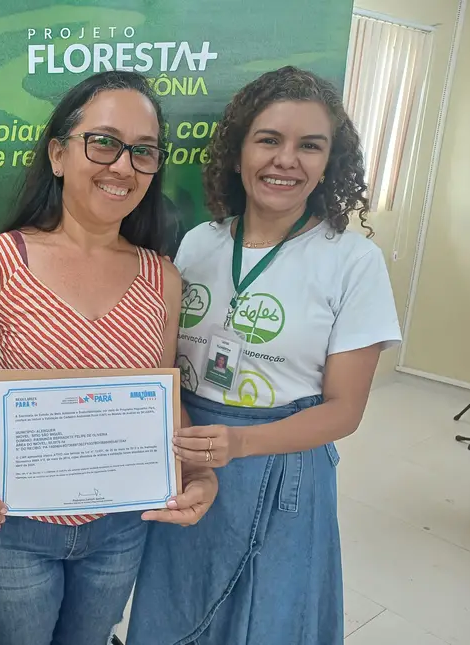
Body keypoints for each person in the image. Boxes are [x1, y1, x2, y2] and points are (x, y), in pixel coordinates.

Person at [0, 70, 219, 645]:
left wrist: (199, 471)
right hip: (7, 528)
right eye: (104, 142)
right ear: (59, 154)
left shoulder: (160, 278)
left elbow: (161, 401)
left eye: (143, 151)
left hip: (120, 528)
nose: (123, 166)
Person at [127, 66, 402, 645]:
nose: (286, 160)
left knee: (270, 618)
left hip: (283, 464)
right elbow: (164, 361)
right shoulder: (201, 242)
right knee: (178, 605)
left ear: (330, 162)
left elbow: (343, 411)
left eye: (309, 145)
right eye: (269, 140)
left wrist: (243, 443)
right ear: (238, 151)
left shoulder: (351, 261)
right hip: (189, 451)